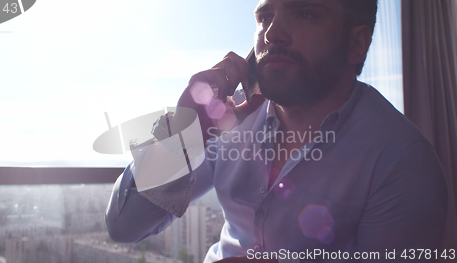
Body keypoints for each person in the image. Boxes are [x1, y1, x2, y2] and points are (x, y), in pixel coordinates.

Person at [105, 0, 448, 262]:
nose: (271, 34)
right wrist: (181, 135)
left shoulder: (403, 163)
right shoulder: (225, 115)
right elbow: (123, 227)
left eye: (305, 13)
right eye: (265, 16)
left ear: (356, 44)